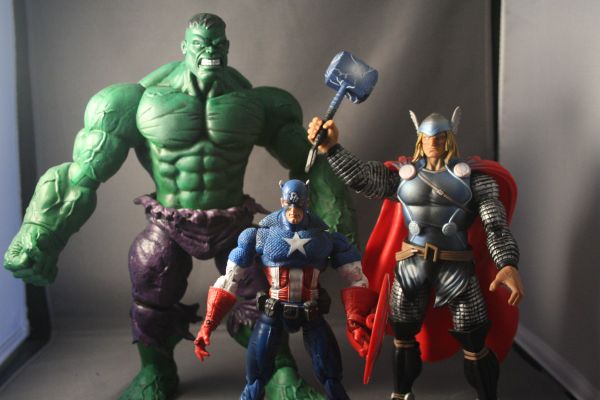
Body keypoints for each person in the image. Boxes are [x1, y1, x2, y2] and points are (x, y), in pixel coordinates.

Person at [3, 13, 355, 400]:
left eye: (218, 43)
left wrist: (335, 232)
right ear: (184, 46)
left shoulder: (257, 103)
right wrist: (40, 236)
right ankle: (156, 372)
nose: (211, 51)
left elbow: (310, 164)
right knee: (150, 276)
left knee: (267, 291)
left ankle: (278, 372)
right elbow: (82, 174)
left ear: (228, 46)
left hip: (234, 220)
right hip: (169, 220)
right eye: (201, 44)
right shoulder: (135, 101)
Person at [307, 109, 524, 400]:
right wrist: (332, 148)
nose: (434, 142)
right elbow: (362, 178)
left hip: (457, 268)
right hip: (411, 265)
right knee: (403, 334)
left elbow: (494, 224)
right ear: (420, 139)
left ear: (450, 139)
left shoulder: (476, 181)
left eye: (441, 137)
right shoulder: (403, 176)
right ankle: (401, 394)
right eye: (429, 137)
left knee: (474, 337)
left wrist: (507, 262)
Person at [194, 179, 377, 400]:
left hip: (311, 312)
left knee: (331, 376)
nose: (293, 211)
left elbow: (357, 279)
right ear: (282, 202)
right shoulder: (259, 236)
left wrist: (357, 320)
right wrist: (208, 324)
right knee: (256, 378)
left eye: (299, 205)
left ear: (306, 203)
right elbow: (229, 279)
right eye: (288, 205)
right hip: (273, 312)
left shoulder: (326, 239)